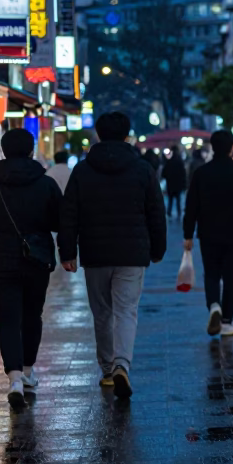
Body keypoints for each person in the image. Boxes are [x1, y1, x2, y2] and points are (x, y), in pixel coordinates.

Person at [59, 112, 166, 399]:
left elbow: (69, 213)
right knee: (126, 310)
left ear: (98, 134)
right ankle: (122, 364)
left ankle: (107, 369)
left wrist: (67, 252)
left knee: (102, 312)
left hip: (95, 251)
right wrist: (158, 249)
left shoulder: (83, 170)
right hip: (133, 251)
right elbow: (156, 212)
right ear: (127, 135)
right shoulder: (142, 169)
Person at [0, 129, 62, 408]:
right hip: (37, 260)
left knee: (8, 320)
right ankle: (29, 371)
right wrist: (68, 251)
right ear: (31, 151)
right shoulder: (45, 185)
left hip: (1, 263)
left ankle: (14, 379)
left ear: (3, 151)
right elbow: (60, 222)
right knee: (33, 316)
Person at [183, 130, 233, 338]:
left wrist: (188, 235)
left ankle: (214, 305)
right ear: (232, 147)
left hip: (208, 232)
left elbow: (191, 207)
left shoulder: (201, 173)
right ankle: (226, 321)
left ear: (212, 147)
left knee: (212, 273)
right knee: (231, 276)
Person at [162, 146, 187, 218]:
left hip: (170, 183)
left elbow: (164, 174)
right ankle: (179, 212)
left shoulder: (169, 162)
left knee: (170, 199)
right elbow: (183, 174)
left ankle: (169, 212)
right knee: (178, 199)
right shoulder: (180, 162)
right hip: (178, 184)